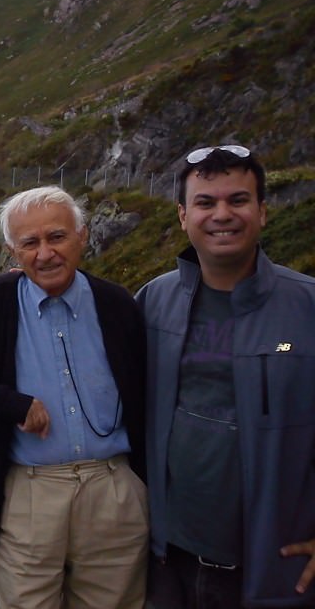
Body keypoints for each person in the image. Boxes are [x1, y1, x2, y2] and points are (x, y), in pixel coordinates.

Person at [0, 185, 148, 609]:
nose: (45, 254)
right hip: (30, 493)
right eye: (29, 243)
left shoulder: (117, 304)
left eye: (57, 237)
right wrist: (10, 403)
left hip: (113, 490)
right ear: (12, 251)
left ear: (83, 236)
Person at [136, 145, 315, 607]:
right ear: (182, 216)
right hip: (166, 565)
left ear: (263, 212)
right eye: (205, 202)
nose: (222, 214)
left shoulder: (307, 306)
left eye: (238, 200)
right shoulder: (153, 301)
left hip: (272, 571)